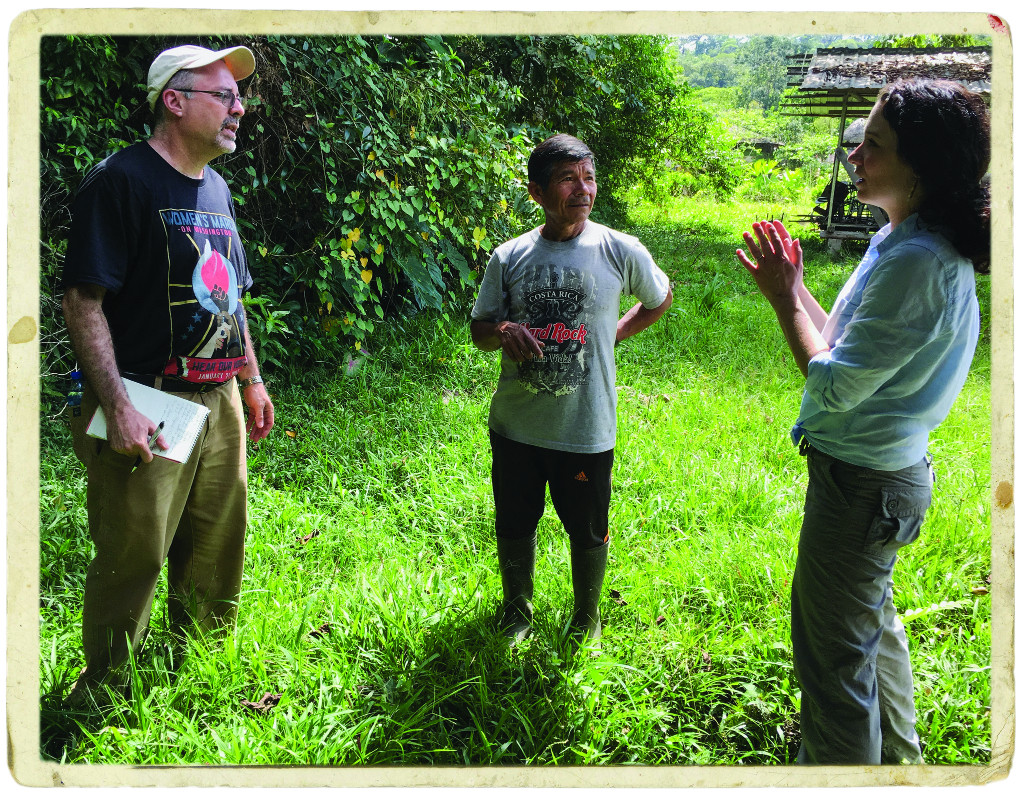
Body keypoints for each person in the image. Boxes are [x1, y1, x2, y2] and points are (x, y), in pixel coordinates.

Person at [736, 79, 990, 764]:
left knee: (833, 664)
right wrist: (794, 289)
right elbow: (842, 345)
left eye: (873, 144)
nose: (855, 154)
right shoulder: (903, 240)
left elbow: (834, 384)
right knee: (870, 637)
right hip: (878, 478)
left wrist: (784, 300)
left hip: (862, 487)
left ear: (920, 166)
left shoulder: (917, 262)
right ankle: (901, 763)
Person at [61, 44, 275, 701]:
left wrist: (251, 380)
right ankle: (106, 688)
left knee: (217, 543)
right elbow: (83, 301)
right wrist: (117, 405)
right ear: (174, 102)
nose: (239, 109)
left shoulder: (216, 188)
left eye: (239, 98)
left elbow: (228, 297)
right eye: (224, 96)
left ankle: (203, 670)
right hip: (148, 398)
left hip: (220, 398)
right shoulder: (120, 181)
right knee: (135, 552)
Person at [471, 134, 672, 649]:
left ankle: (587, 617)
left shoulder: (619, 249)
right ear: (537, 192)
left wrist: (615, 332)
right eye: (568, 179)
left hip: (586, 427)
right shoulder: (510, 256)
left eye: (589, 178)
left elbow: (660, 297)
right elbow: (480, 331)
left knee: (587, 527)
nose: (583, 189)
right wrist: (504, 331)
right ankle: (517, 611)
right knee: (515, 521)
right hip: (516, 426)